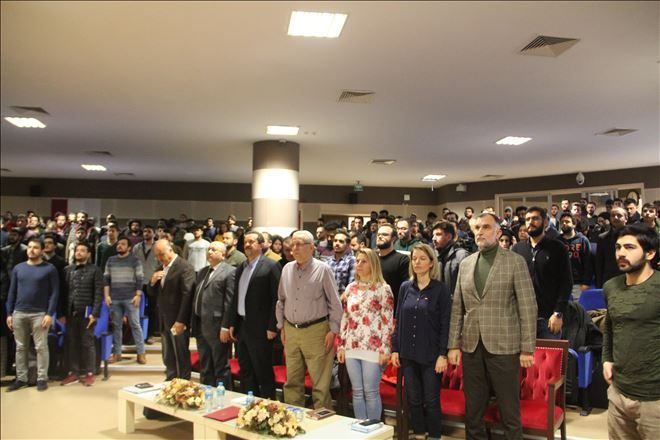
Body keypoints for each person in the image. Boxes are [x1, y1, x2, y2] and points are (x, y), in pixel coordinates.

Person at [447, 213, 537, 440]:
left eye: (486, 227)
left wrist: (527, 348)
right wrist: (453, 345)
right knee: (473, 410)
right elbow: (457, 307)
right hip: (471, 346)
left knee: (509, 411)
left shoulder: (515, 261)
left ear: (498, 232)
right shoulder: (466, 264)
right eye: (477, 227)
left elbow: (528, 307)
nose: (480, 231)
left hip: (504, 346)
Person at [602, 224, 659, 439]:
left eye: (629, 247)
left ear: (650, 253)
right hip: (619, 393)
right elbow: (609, 326)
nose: (621, 253)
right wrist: (606, 359)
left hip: (654, 399)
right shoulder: (611, 287)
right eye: (618, 247)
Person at [391, 244, 452, 440]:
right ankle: (418, 433)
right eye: (414, 258)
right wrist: (395, 348)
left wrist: (443, 354)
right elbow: (399, 319)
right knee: (414, 399)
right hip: (408, 353)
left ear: (431, 263)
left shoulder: (441, 289)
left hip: (431, 354)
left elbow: (445, 324)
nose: (417, 262)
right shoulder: (405, 287)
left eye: (422, 258)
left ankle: (434, 435)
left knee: (431, 400)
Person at [276, 230, 342, 409]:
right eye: (293, 244)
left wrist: (333, 331)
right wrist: (281, 326)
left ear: (311, 247)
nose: (294, 248)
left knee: (320, 384)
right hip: (291, 329)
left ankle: (323, 420)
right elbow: (281, 300)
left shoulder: (323, 269)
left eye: (299, 244)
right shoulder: (287, 269)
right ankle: (293, 417)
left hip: (316, 331)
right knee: (292, 381)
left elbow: (335, 303)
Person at [337, 248, 394, 421]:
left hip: (373, 347)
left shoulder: (383, 289)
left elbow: (387, 322)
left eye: (364, 261)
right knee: (357, 391)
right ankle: (360, 427)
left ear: (373, 264)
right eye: (357, 261)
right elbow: (345, 318)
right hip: (352, 345)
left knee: (370, 391)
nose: (359, 265)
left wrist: (385, 349)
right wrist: (341, 346)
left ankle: (374, 429)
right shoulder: (351, 287)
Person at [228, 231, 281, 399]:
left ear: (261, 245)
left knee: (262, 370)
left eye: (251, 242)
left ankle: (268, 404)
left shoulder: (271, 266)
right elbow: (236, 297)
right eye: (245, 242)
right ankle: (251, 403)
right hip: (242, 326)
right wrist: (232, 323)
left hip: (262, 328)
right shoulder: (241, 267)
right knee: (246, 369)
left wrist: (273, 326)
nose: (247, 245)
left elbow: (277, 299)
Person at [6, 238, 59, 392]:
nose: (31, 250)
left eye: (35, 247)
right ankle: (21, 378)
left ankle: (42, 378)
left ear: (42, 250)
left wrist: (49, 314)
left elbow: (55, 293)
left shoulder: (49, 269)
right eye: (29, 247)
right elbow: (12, 291)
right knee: (20, 348)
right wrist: (9, 313)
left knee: (41, 347)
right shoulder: (18, 268)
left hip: (39, 314)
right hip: (19, 312)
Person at [512, 207, 572, 339]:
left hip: (549, 318)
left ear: (545, 222)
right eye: (527, 219)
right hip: (522, 318)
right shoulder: (517, 249)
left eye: (535, 218)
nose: (530, 222)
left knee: (548, 352)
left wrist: (558, 313)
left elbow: (566, 283)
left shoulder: (558, 248)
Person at [148, 239, 196, 380]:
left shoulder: (184, 267)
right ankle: (170, 379)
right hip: (164, 319)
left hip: (177, 320)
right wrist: (152, 282)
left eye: (161, 254)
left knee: (180, 353)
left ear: (170, 250)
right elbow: (152, 293)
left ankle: (183, 382)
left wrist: (181, 320)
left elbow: (188, 296)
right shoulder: (160, 267)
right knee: (168, 354)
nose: (159, 258)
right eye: (157, 255)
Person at [191, 242, 235, 387]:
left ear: (223, 255)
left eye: (213, 250)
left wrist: (225, 326)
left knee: (220, 365)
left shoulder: (230, 271)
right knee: (205, 365)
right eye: (208, 249)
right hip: (200, 324)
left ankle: (224, 395)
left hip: (217, 326)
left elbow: (229, 302)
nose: (209, 251)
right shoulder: (202, 271)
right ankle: (207, 392)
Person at [60, 242, 103, 386]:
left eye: (82, 250)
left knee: (87, 343)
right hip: (70, 313)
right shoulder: (67, 270)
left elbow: (98, 293)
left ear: (88, 254)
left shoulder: (95, 270)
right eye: (77, 250)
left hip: (87, 315)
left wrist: (95, 313)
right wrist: (61, 313)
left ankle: (90, 373)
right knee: (72, 343)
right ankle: (73, 372)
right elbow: (63, 293)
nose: (78, 252)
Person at [104, 237, 146, 364]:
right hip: (115, 298)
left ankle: (141, 353)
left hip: (131, 298)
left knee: (135, 325)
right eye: (118, 244)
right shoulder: (111, 260)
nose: (119, 246)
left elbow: (140, 279)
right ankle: (117, 354)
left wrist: (138, 295)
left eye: (123, 244)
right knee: (116, 326)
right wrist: (106, 295)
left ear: (129, 247)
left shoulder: (135, 260)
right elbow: (106, 279)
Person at [431, 221, 470, 297]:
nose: (433, 238)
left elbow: (468, 285)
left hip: (456, 301)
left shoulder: (462, 255)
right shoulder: (433, 255)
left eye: (438, 234)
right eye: (433, 235)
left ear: (449, 236)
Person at [376, 224, 410, 308]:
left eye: (384, 234)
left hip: (392, 308)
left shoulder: (402, 260)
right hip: (370, 307)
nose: (380, 237)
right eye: (378, 234)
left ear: (393, 238)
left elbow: (405, 289)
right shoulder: (372, 259)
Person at [325, 229, 356, 297]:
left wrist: (341, 299)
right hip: (328, 299)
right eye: (335, 240)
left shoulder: (352, 260)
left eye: (341, 241)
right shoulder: (327, 262)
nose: (337, 243)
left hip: (345, 299)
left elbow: (352, 285)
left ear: (347, 244)